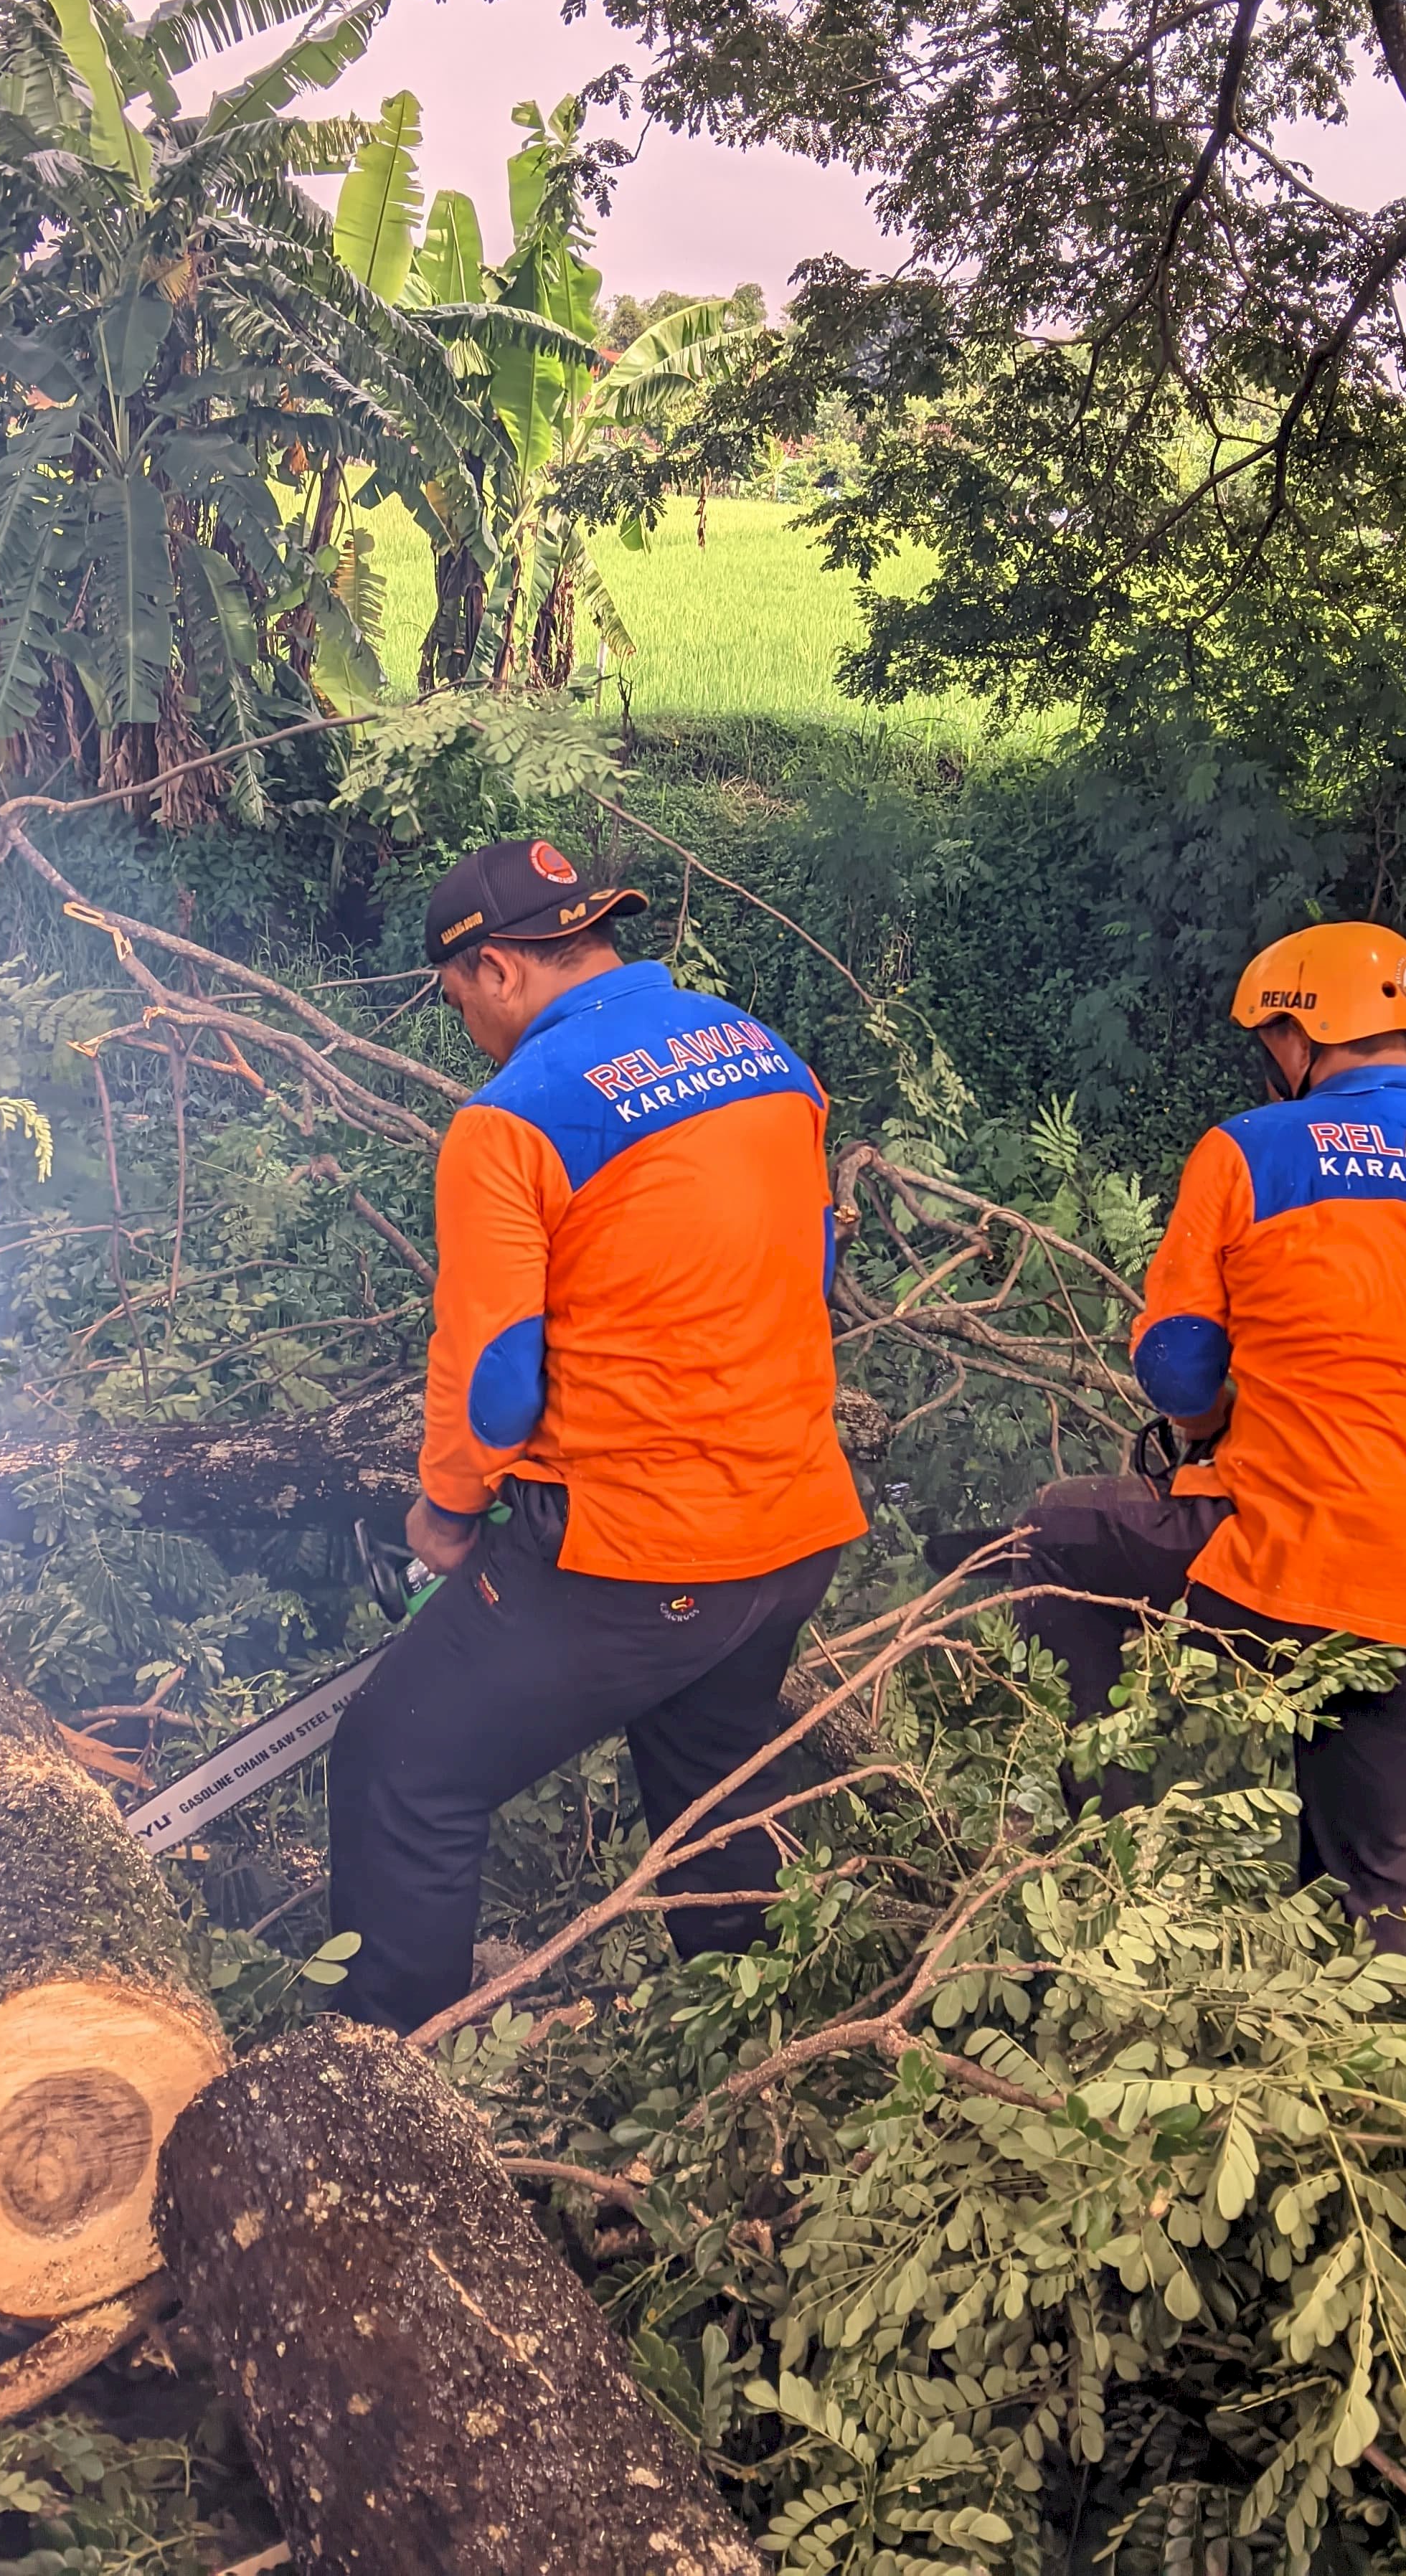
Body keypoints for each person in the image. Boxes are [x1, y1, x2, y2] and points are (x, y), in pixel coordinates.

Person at [1017, 921, 1406, 1952]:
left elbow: (1176, 1359)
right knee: (1364, 1887)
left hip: (1285, 1561)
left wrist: (1212, 1428)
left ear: (1299, 1036)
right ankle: (1367, 2066)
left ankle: (1102, 1848)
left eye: (1272, 1038)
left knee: (1055, 1534)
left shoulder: (1250, 1152)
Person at [326, 833, 866, 2032]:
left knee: (402, 1769)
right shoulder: (766, 1056)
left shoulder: (508, 1122)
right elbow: (812, 1265)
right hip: (795, 1528)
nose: (462, 1017)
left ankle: (380, 2073)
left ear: (500, 970)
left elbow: (498, 1386)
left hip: (641, 1556)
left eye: (457, 993)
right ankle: (758, 2043)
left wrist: (448, 1515)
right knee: (706, 1780)